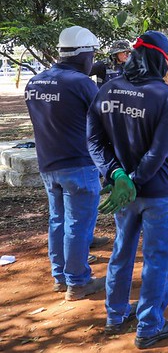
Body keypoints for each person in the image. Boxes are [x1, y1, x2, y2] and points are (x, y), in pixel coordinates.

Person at [87, 30, 168, 347]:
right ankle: (150, 326)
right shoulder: (165, 95)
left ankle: (115, 315)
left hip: (123, 195)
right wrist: (132, 179)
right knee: (158, 259)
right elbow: (157, 152)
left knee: (122, 252)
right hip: (160, 191)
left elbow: (94, 141)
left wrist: (117, 176)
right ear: (160, 59)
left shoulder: (107, 89)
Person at [24, 26, 106, 301]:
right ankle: (79, 282)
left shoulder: (35, 82)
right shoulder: (81, 83)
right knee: (78, 224)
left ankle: (60, 277)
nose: (93, 61)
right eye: (92, 54)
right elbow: (103, 122)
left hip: (49, 164)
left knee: (58, 220)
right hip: (79, 164)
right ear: (84, 54)